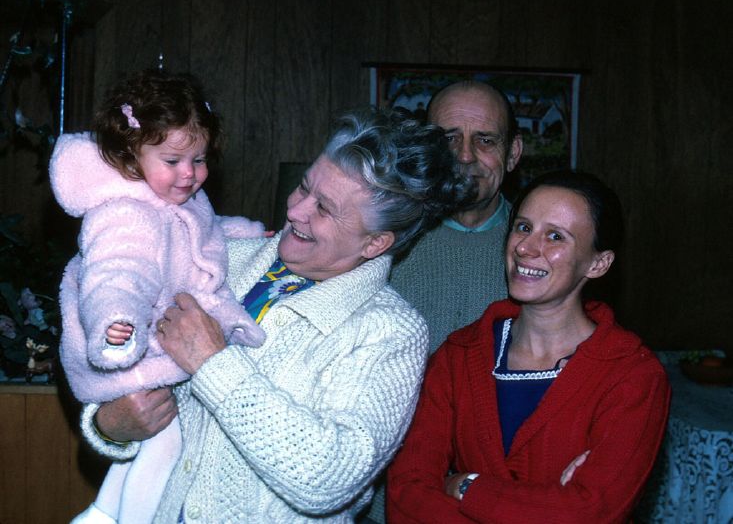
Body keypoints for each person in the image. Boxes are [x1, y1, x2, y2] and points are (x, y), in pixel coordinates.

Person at [78, 108, 476, 523]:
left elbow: (329, 477)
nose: (297, 210)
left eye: (324, 208)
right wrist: (109, 425)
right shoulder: (219, 259)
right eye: (304, 186)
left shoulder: (390, 332)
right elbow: (125, 364)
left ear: (376, 242)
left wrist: (213, 364)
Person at [387, 170, 671, 523]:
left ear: (598, 264)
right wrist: (549, 505)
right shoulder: (458, 357)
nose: (525, 247)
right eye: (523, 227)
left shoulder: (632, 377)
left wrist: (467, 487)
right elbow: (406, 494)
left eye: (555, 236)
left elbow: (591, 512)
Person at [50, 69, 266, 524]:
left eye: (201, 159)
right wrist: (115, 319)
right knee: (168, 445)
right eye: (173, 160)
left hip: (150, 343)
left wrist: (249, 234)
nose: (190, 174)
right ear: (131, 156)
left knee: (152, 449)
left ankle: (101, 514)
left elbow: (200, 237)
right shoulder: (125, 214)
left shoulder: (171, 200)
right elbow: (118, 273)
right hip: (126, 340)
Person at [389, 80, 523, 355]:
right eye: (449, 139)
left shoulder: (536, 249)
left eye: (485, 140)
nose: (464, 156)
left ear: (512, 154)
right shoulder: (386, 237)